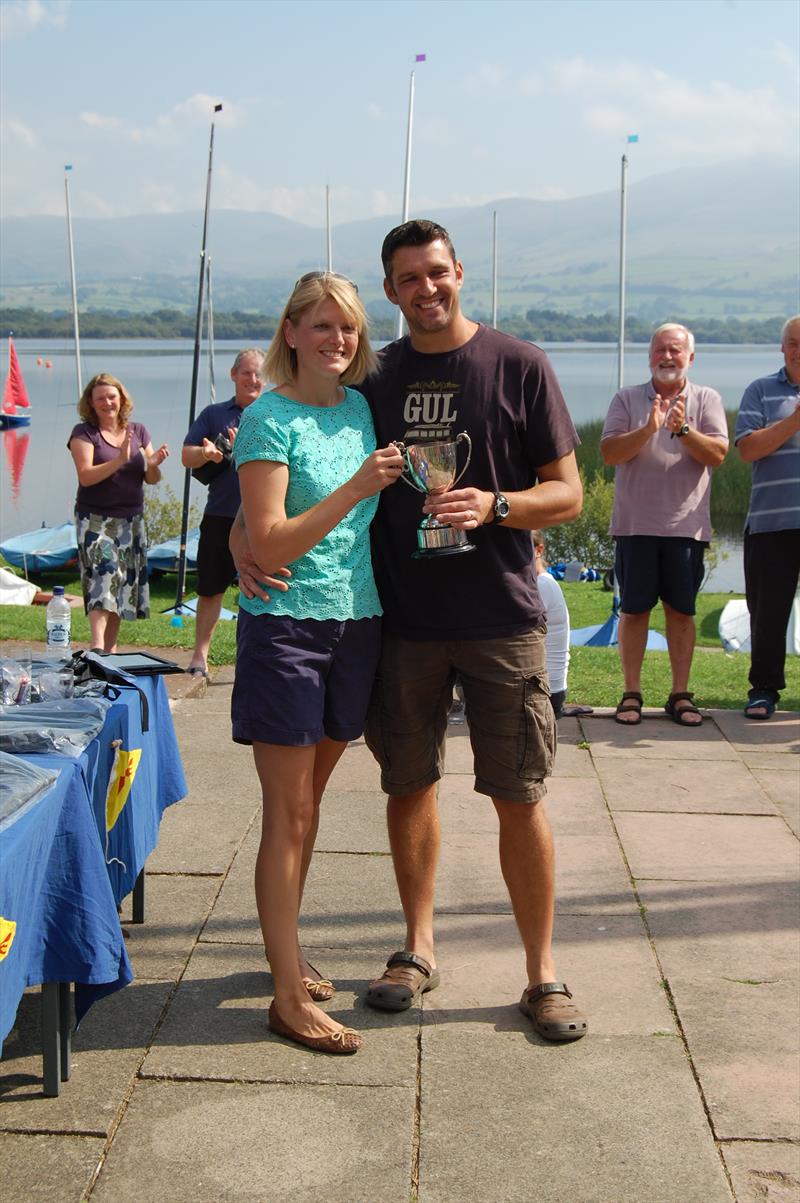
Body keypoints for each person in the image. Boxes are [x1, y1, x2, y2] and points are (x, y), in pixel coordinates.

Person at [237, 221, 588, 1043]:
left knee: (519, 792)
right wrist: (236, 539)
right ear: (390, 291)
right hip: (400, 620)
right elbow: (276, 469)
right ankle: (417, 948)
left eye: (437, 272)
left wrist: (497, 504)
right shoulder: (371, 378)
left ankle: (542, 972)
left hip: (502, 615)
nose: (426, 288)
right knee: (408, 784)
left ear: (459, 272)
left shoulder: (520, 363)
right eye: (407, 279)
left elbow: (567, 493)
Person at [230, 272, 404, 1055]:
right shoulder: (268, 417)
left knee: (312, 807)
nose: (340, 340)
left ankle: (288, 951)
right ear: (291, 331)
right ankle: (286, 997)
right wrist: (357, 485)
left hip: (354, 623)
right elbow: (268, 541)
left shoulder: (361, 407)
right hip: (287, 631)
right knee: (288, 813)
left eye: (350, 329)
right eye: (323, 326)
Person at [600, 324, 728, 727]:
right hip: (636, 526)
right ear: (650, 356)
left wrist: (683, 430)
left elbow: (719, 454)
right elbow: (608, 452)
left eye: (675, 351)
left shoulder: (706, 398)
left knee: (680, 612)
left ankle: (680, 695)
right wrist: (649, 429)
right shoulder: (626, 398)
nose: (667, 357)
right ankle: (631, 693)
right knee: (634, 611)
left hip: (685, 528)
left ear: (691, 357)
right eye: (660, 350)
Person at [68, 373, 169, 652]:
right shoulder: (83, 433)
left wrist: (154, 463)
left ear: (121, 399)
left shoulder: (138, 431)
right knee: (105, 572)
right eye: (100, 397)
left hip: (131, 521)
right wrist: (121, 460)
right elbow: (86, 476)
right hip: (95, 521)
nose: (107, 402)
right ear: (91, 402)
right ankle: (97, 647)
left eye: (112, 396)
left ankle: (110, 652)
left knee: (122, 584)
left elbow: (151, 478)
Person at [181, 349, 266, 678]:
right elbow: (186, 456)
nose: (253, 380)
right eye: (246, 373)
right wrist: (205, 453)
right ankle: (200, 657)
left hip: (262, 518)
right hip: (220, 515)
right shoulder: (214, 414)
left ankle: (254, 660)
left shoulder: (274, 413)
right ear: (234, 375)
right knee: (210, 589)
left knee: (259, 591)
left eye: (258, 374)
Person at [735, 316, 800, 719]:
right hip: (771, 525)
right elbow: (748, 449)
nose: (799, 350)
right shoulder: (760, 390)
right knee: (768, 612)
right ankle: (764, 690)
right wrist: (794, 420)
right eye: (794, 342)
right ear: (782, 348)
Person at [532, 529, 570, 717]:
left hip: (545, 692)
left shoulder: (541, 584)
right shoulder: (544, 581)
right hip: (549, 689)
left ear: (539, 550)